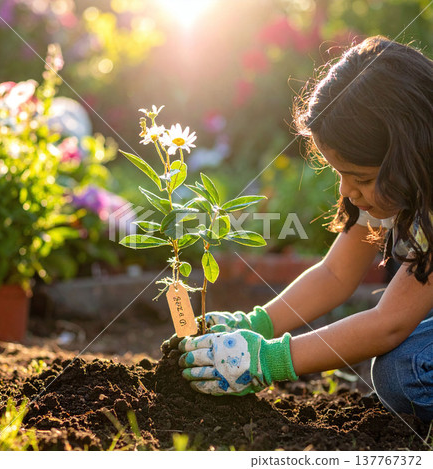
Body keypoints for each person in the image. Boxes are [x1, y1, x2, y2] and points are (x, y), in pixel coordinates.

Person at [174, 36, 433, 423]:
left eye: (358, 177)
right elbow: (334, 274)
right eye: (340, 174)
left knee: (404, 371)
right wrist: (255, 324)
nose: (346, 190)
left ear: (408, 155)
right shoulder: (401, 184)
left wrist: (268, 360)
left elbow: (389, 323)